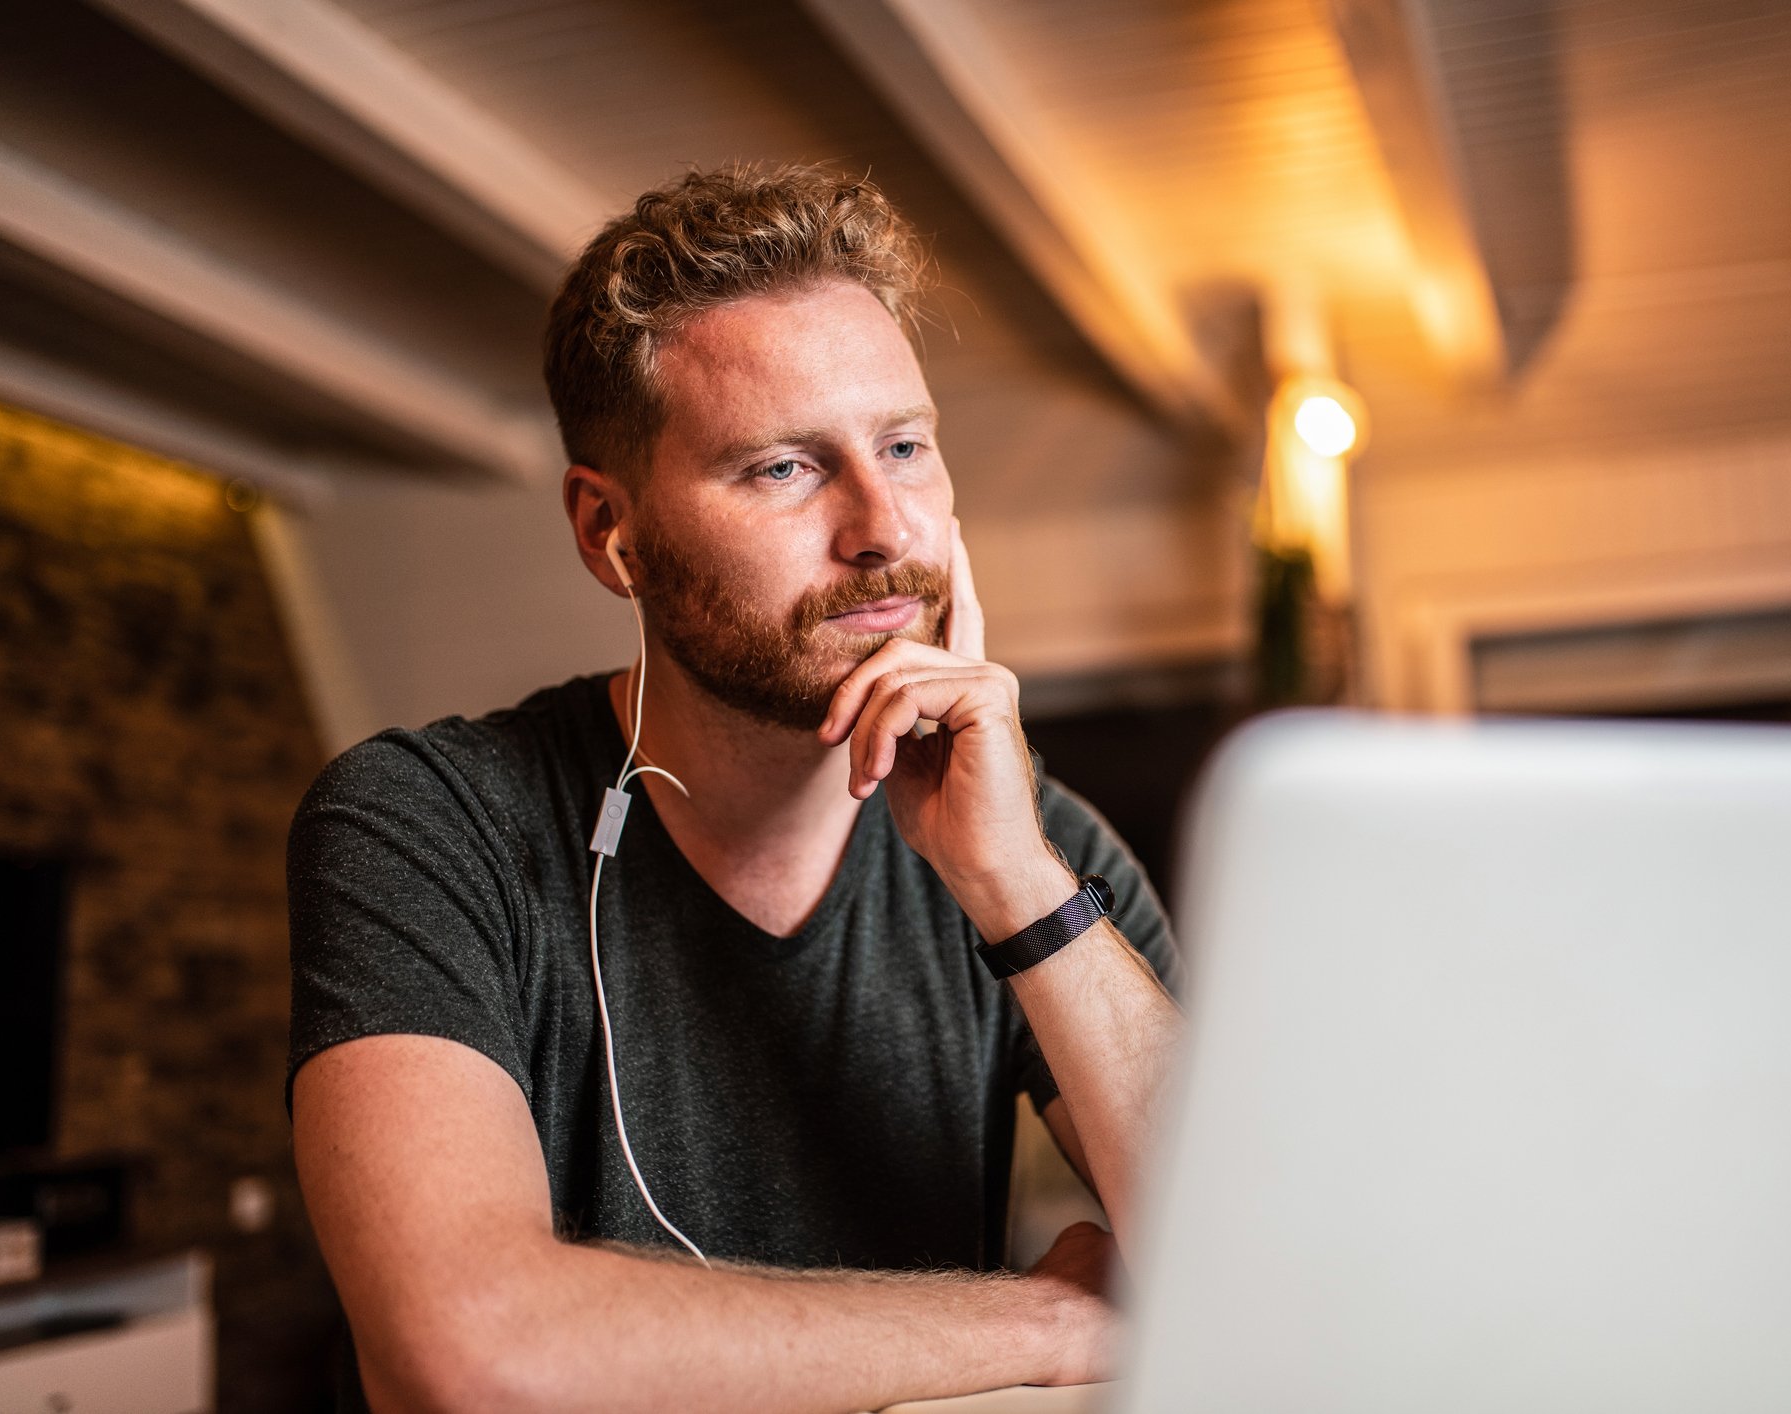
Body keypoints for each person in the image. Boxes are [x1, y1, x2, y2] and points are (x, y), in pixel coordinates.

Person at [286, 164, 1185, 1412]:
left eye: (906, 446)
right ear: (612, 534)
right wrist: (1046, 1315)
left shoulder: (1041, 846)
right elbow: (471, 1358)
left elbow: (1262, 1253)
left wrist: (1014, 883)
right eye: (782, 468)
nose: (884, 527)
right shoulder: (429, 824)